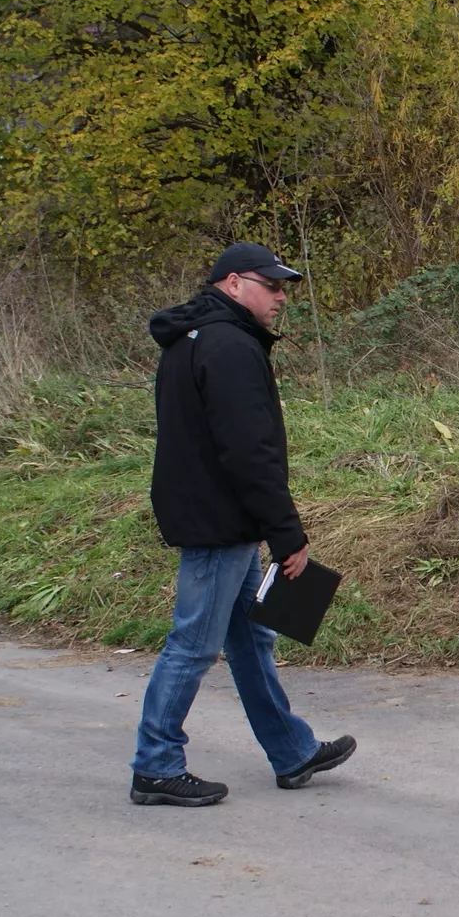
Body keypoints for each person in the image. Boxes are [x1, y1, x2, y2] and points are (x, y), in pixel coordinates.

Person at [127, 242, 356, 807]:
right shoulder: (229, 345)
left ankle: (292, 751)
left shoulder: (193, 337)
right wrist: (287, 533)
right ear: (233, 284)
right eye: (271, 286)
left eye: (283, 288)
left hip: (217, 514)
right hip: (219, 523)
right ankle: (155, 766)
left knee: (251, 638)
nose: (281, 297)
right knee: (193, 645)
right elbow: (249, 451)